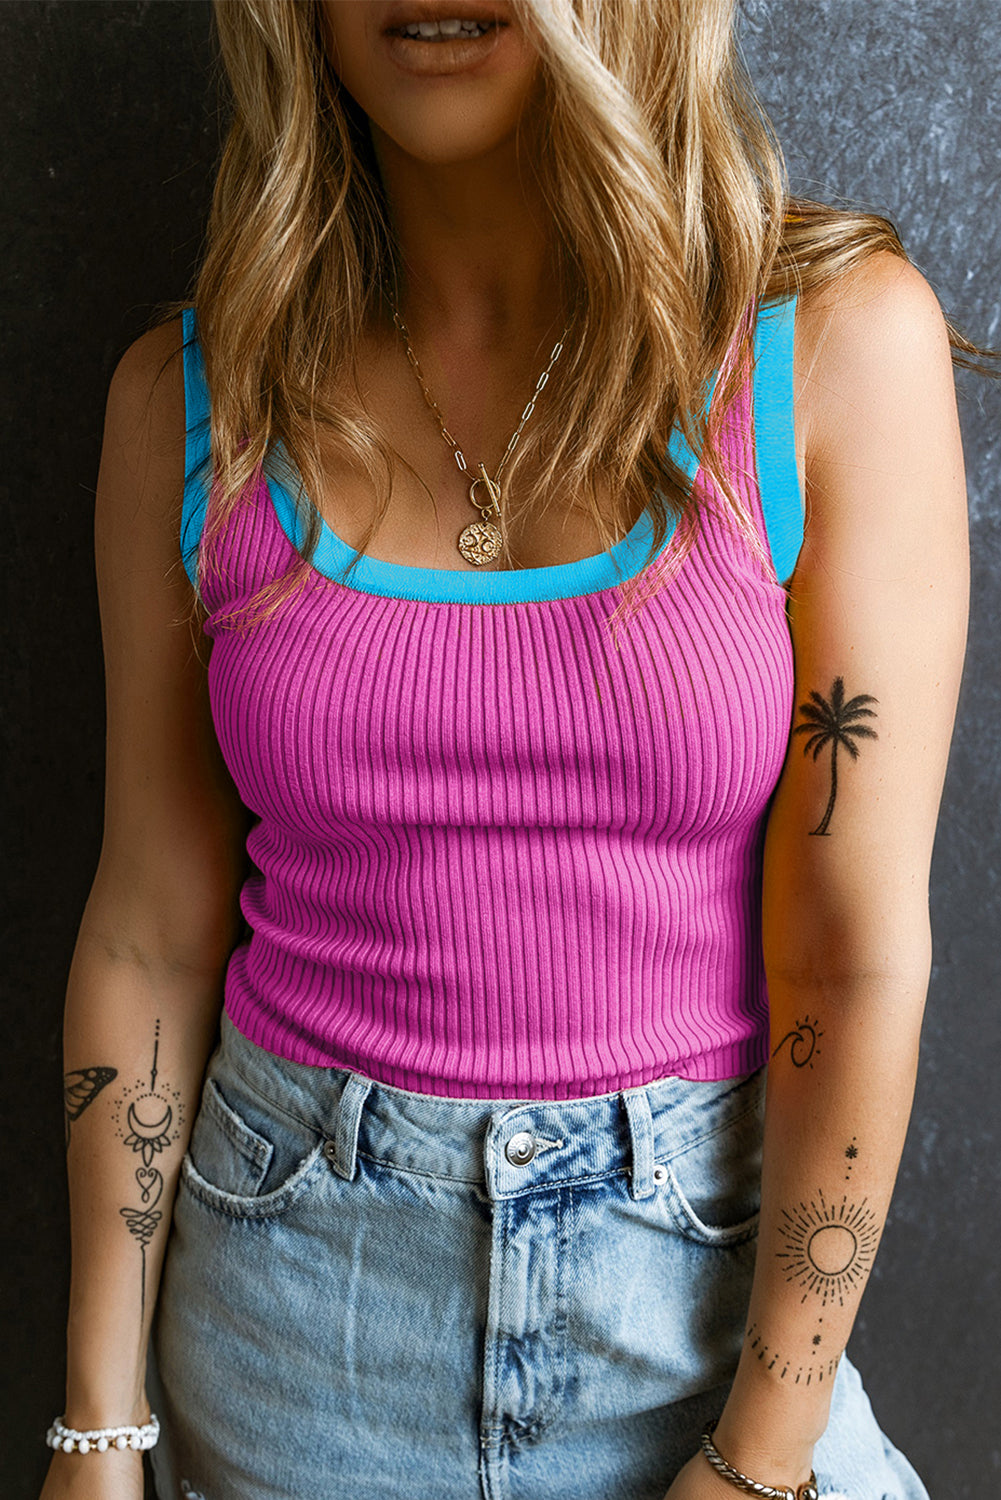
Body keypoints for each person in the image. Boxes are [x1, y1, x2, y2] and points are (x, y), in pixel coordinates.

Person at [41, 2, 979, 1498]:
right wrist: (99, 1428)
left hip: (702, 1319)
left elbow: (853, 958)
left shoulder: (832, 350)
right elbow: (148, 938)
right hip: (288, 1330)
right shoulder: (189, 408)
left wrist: (762, 1457)